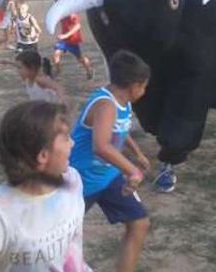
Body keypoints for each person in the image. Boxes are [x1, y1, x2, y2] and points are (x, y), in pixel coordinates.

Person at [0, 101, 90, 272]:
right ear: (43, 156)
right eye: (66, 138)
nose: (73, 143)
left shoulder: (72, 180)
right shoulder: (0, 212)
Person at [70, 50, 151, 272]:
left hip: (107, 178)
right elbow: (102, 146)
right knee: (58, 240)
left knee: (139, 224)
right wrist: (133, 171)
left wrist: (137, 153)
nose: (143, 92)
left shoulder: (122, 101)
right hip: (81, 183)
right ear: (134, 85)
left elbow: (120, 131)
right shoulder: (105, 104)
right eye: (143, 87)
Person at [51, 0, 94, 80]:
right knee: (56, 54)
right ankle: (58, 70)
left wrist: (65, 35)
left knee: (80, 58)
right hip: (64, 39)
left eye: (58, 0)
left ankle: (89, 69)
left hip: (72, 39)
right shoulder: (62, 10)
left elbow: (77, 26)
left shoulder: (71, 13)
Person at [0, 50, 65, 103]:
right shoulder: (29, 78)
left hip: (50, 112)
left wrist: (61, 102)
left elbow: (58, 87)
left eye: (20, 68)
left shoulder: (39, 80)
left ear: (32, 68)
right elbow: (19, 65)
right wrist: (7, 62)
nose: (18, 71)